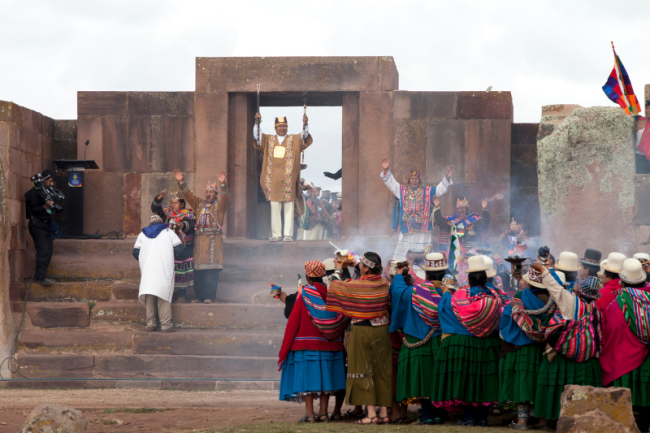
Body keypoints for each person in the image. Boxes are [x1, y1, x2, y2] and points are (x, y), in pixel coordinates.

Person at [432, 255, 505, 427]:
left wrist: (445, 294)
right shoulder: (494, 299)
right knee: (481, 381)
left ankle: (469, 418)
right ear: (486, 279)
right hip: (486, 344)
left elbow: (444, 309)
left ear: (468, 279)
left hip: (463, 344)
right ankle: (482, 419)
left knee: (467, 380)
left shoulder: (458, 297)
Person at [532, 262, 603, 429]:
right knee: (581, 390)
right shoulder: (593, 307)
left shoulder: (570, 302)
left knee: (562, 388)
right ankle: (580, 420)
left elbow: (555, 288)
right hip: (587, 356)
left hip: (565, 356)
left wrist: (543, 271)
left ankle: (557, 419)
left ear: (578, 290)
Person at [327, 252, 392, 425]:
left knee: (364, 369)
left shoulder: (356, 285)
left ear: (366, 267)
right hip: (382, 331)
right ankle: (384, 412)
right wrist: (356, 263)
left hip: (362, 331)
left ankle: (371, 414)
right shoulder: (385, 283)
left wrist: (338, 268)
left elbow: (333, 286)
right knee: (382, 370)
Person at [278, 260, 347, 422]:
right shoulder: (332, 293)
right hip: (331, 345)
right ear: (322, 275)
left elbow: (293, 320)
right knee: (325, 380)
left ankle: (309, 414)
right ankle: (323, 413)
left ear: (308, 278)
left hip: (306, 345)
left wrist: (285, 347)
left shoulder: (304, 295)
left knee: (308, 379)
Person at [390, 253, 447, 425]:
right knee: (437, 378)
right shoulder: (450, 293)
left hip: (417, 341)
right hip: (440, 342)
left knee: (422, 378)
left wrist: (399, 274)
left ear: (427, 274)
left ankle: (427, 415)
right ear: (443, 273)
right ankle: (438, 414)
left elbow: (397, 291)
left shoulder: (415, 292)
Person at [499, 265, 556, 430]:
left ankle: (522, 421)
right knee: (540, 383)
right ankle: (543, 420)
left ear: (530, 283)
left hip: (521, 346)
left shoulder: (520, 297)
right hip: (544, 348)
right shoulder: (553, 299)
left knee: (521, 383)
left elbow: (505, 319)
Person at [599, 258, 650, 432]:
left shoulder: (617, 305)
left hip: (623, 359)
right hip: (647, 359)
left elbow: (609, 331)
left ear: (622, 281)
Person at [381, 157, 455, 261]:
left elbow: (439, 189)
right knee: (401, 257)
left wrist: (446, 178)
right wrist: (386, 170)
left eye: (416, 179)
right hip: (407, 229)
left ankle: (425, 272)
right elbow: (391, 184)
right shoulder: (402, 190)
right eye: (412, 178)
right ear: (409, 181)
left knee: (426, 256)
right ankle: (399, 271)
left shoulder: (428, 191)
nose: (414, 180)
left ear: (420, 181)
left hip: (423, 230)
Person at [172, 169, 230, 303]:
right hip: (199, 242)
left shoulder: (220, 206)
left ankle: (210, 296)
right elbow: (189, 196)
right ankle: (199, 296)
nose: (208, 194)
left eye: (211, 192)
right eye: (206, 192)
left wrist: (223, 185)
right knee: (198, 272)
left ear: (216, 194)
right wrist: (181, 181)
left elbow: (226, 198)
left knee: (211, 272)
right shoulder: (199, 204)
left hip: (213, 242)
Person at [253, 114, 313, 242]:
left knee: (289, 207)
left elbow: (304, 136)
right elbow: (257, 138)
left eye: (284, 126)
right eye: (279, 126)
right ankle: (276, 234)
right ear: (275, 128)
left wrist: (305, 124)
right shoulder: (268, 139)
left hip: (288, 180)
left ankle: (287, 235)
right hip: (273, 179)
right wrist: (257, 123)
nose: (282, 128)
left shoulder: (294, 139)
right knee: (274, 206)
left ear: (287, 127)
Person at [133, 214, 184, 332]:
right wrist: (168, 258)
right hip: (164, 268)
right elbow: (179, 250)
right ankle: (165, 325)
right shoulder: (169, 233)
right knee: (164, 295)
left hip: (148, 269)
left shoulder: (142, 234)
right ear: (162, 222)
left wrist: (146, 260)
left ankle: (150, 323)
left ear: (150, 223)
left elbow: (135, 252)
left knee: (150, 294)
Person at [152, 190, 196, 303]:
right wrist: (159, 198)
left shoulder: (188, 214)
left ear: (182, 204)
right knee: (169, 271)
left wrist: (182, 224)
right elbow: (155, 209)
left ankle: (182, 295)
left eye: (175, 203)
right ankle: (169, 294)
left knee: (182, 272)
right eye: (172, 202)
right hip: (168, 249)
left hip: (183, 249)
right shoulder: (168, 213)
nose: (173, 205)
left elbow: (191, 225)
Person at [434, 197, 490, 280]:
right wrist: (437, 207)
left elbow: (484, 223)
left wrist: (484, 209)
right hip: (456, 251)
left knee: (471, 270)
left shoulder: (473, 220)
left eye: (463, 208)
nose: (461, 210)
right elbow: (440, 221)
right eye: (459, 208)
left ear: (467, 209)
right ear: (457, 209)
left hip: (471, 250)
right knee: (454, 270)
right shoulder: (452, 221)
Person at [25, 169, 59, 286]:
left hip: (46, 225)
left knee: (48, 251)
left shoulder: (47, 193)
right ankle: (40, 277)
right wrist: (44, 206)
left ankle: (42, 275)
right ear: (43, 179)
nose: (51, 184)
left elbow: (50, 210)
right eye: (50, 181)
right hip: (37, 225)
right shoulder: (33, 194)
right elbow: (33, 211)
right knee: (43, 250)